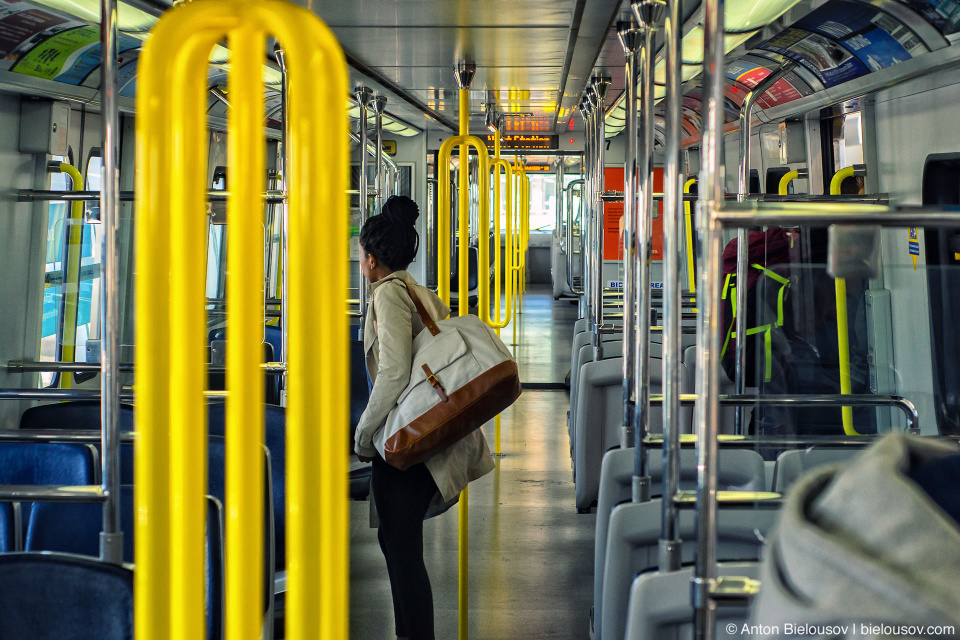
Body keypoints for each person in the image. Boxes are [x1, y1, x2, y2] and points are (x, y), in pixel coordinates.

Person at [354, 195, 494, 640]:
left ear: (371, 258)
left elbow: (394, 371)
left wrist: (363, 433)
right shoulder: (416, 290)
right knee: (399, 545)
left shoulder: (387, 297)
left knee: (401, 550)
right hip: (427, 437)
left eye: (361, 255)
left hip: (408, 442)